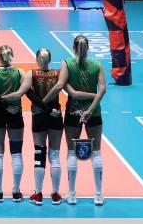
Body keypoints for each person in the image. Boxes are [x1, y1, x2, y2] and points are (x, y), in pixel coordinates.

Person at [45, 35, 107, 206]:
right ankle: (98, 194)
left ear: (73, 47)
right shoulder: (97, 65)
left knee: (72, 151)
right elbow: (102, 90)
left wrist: (43, 101)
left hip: (73, 111)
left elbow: (63, 87)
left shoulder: (67, 63)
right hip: (94, 112)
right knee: (96, 152)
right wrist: (90, 110)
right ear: (88, 47)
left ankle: (71, 194)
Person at [0, 45, 31, 203]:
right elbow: (23, 92)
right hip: (15, 113)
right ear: (12, 56)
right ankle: (16, 192)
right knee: (16, 153)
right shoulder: (20, 73)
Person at [28, 49, 64, 206]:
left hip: (39, 115)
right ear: (50, 59)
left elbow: (27, 93)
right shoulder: (58, 74)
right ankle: (56, 194)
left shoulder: (31, 74)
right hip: (56, 115)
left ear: (37, 59)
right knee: (55, 155)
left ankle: (38, 194)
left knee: (39, 154)